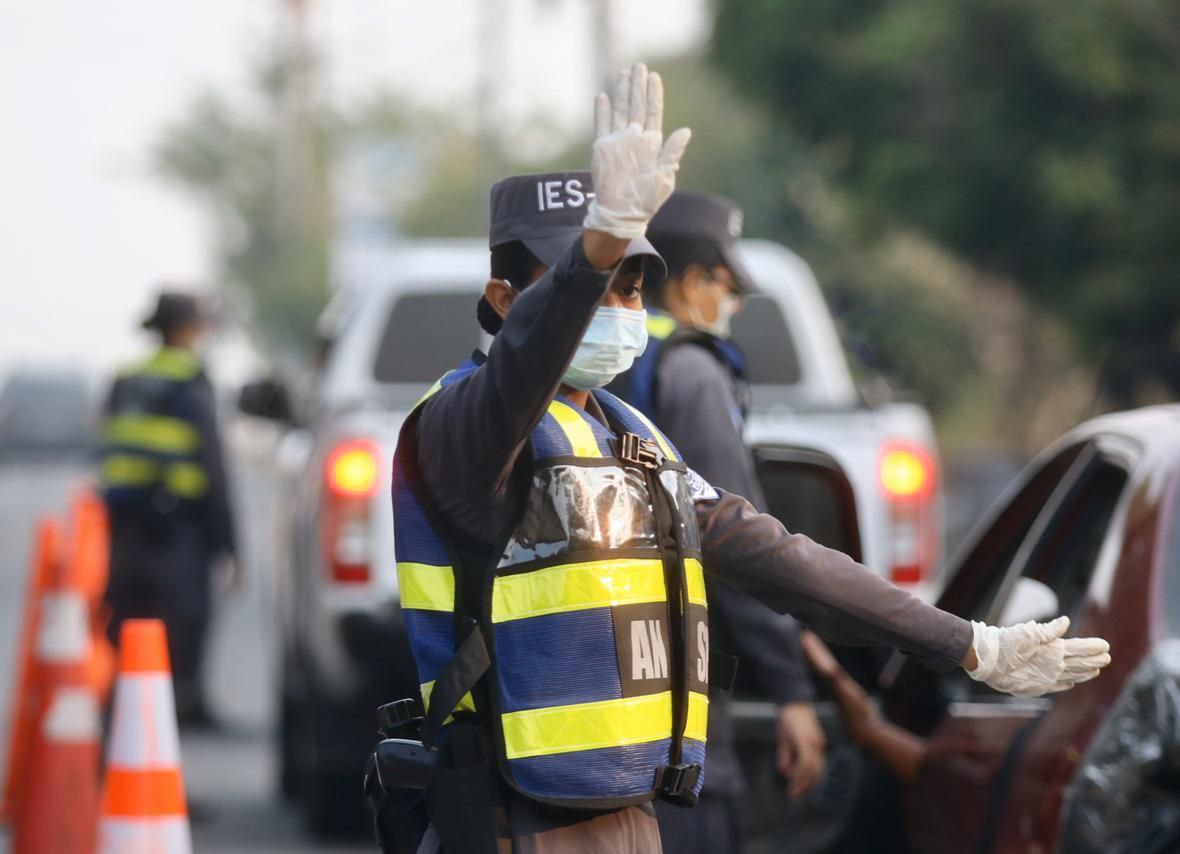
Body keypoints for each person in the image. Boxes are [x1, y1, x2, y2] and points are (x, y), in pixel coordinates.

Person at [386, 63, 1110, 853]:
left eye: (633, 290)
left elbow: (781, 559)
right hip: (505, 820)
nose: (619, 308)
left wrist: (970, 643)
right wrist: (590, 255)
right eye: (597, 289)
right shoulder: (465, 430)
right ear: (501, 301)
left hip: (627, 817)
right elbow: (522, 366)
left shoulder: (635, 440)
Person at [611, 191, 825, 853]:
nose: (729, 305)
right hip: (682, 705)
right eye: (727, 287)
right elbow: (738, 543)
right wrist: (790, 690)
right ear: (692, 282)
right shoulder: (693, 373)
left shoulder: (588, 364)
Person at [98, 290, 239, 725]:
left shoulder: (125, 378)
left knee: (127, 627)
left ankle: (120, 721)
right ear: (186, 330)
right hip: (179, 530)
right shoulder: (191, 379)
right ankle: (178, 715)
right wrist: (228, 545)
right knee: (183, 629)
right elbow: (212, 467)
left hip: (125, 529)